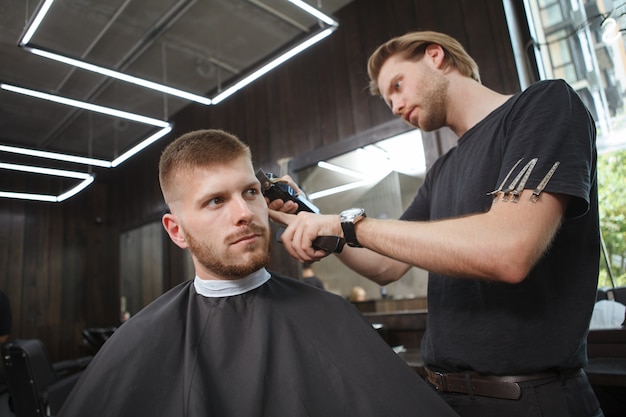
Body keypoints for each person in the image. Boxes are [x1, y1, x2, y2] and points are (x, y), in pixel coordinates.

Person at [269, 31, 603, 417]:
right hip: (444, 396)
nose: (394, 105)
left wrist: (348, 225)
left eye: (397, 85)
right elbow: (384, 267)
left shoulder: (543, 106)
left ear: (435, 56)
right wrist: (314, 219)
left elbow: (508, 251)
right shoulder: (442, 171)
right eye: (387, 98)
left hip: (529, 399)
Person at [58, 129, 458, 417]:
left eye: (250, 192)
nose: (245, 214)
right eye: (216, 201)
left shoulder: (329, 314)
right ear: (176, 231)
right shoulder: (140, 340)